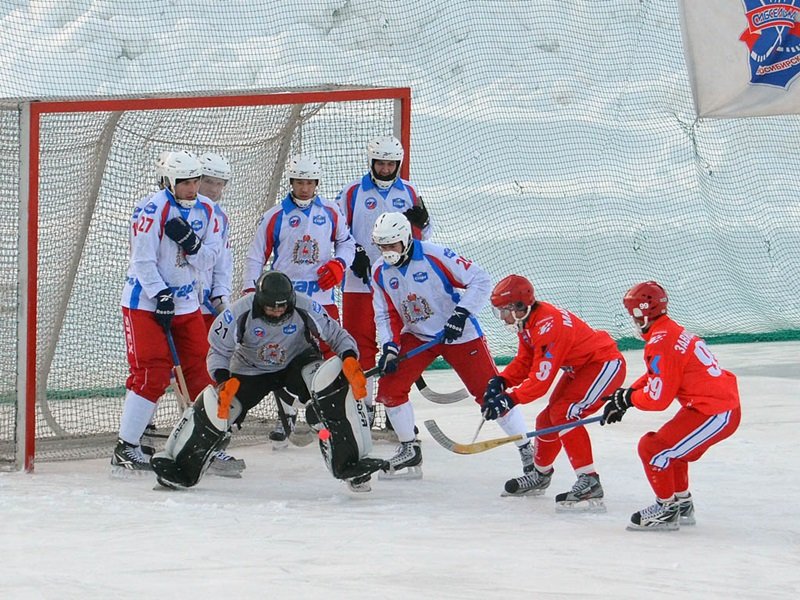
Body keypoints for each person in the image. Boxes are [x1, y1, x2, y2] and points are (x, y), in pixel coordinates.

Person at [151, 270, 387, 492]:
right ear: (258, 301)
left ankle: (350, 466)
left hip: (298, 362)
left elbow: (336, 334)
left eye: (282, 308)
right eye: (270, 308)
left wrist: (349, 358)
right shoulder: (237, 313)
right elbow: (218, 352)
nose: (276, 312)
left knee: (330, 394)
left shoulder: (306, 305)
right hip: (250, 369)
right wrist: (223, 380)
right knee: (219, 410)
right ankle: (181, 466)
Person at [370, 212, 529, 479]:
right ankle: (410, 450)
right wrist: (389, 347)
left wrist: (460, 314)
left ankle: (527, 448)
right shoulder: (379, 272)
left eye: (392, 245)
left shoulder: (434, 256)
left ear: (406, 239)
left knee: (490, 394)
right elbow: (385, 314)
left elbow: (480, 279)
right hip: (419, 336)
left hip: (460, 335)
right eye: (382, 246)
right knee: (390, 388)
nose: (388, 252)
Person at [601, 281, 741, 531]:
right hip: (710, 406)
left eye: (632, 312)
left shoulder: (660, 342)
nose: (631, 319)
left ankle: (666, 509)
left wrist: (629, 399)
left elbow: (658, 399)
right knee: (670, 449)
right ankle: (682, 503)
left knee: (653, 449)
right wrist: (625, 396)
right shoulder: (670, 331)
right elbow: (660, 374)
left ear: (641, 313)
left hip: (715, 411)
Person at [114, 150, 222, 474]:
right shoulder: (151, 209)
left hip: (187, 304)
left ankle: (203, 444)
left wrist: (192, 242)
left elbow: (209, 260)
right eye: (184, 182)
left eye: (195, 181)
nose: (192, 188)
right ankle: (126, 447)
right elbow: (142, 261)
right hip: (146, 302)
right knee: (152, 373)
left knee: (203, 374)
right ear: (168, 181)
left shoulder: (209, 211)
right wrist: (160, 294)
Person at [482, 274, 626, 510]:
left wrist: (509, 399)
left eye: (505, 310)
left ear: (520, 306)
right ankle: (540, 475)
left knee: (565, 413)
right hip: (579, 369)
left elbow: (540, 382)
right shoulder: (529, 322)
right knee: (546, 419)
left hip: (603, 365)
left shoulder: (549, 326)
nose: (504, 318)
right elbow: (526, 360)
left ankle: (589, 480)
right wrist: (501, 381)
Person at [241, 154, 355, 445]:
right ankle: (287, 414)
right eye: (299, 182)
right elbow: (256, 256)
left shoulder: (331, 211)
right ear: (291, 182)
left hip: (322, 298)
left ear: (317, 183)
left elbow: (346, 242)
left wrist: (339, 264)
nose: (304, 188)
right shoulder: (275, 215)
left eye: (310, 182)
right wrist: (251, 294)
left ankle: (326, 414)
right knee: (283, 353)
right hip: (284, 302)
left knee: (330, 355)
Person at [337, 135, 432, 417]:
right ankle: (363, 405)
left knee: (400, 341)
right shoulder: (352, 191)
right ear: (372, 162)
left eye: (391, 164)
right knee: (358, 341)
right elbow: (339, 230)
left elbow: (425, 236)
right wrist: (354, 253)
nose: (386, 169)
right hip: (359, 282)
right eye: (381, 163)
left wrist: (423, 222)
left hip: (398, 282)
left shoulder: (411, 192)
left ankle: (394, 405)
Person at [197, 152, 234, 329]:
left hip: (207, 304)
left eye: (219, 184)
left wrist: (220, 296)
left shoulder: (222, 217)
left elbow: (222, 261)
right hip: (181, 303)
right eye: (209, 182)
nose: (213, 189)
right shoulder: (177, 210)